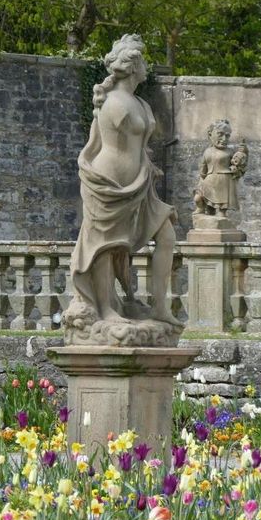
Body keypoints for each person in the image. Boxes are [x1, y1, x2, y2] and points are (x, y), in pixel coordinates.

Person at [69, 33, 179, 327]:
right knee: (106, 244)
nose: (147, 66)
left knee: (166, 234)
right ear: (131, 66)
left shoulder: (139, 103)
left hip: (140, 183)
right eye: (142, 60)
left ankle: (159, 307)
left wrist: (149, 166)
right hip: (110, 181)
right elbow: (99, 142)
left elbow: (137, 145)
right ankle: (106, 309)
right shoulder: (112, 103)